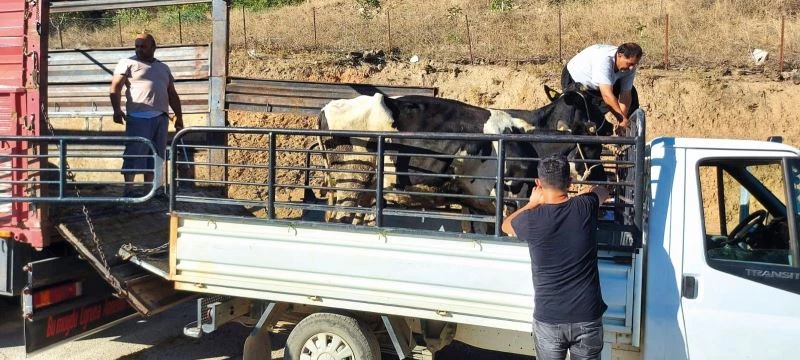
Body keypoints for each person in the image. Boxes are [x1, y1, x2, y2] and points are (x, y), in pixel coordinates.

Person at [501, 155, 610, 360]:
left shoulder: (531, 219)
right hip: (587, 317)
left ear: (538, 184)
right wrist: (588, 192)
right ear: (569, 183)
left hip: (549, 319)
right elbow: (603, 191)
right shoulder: (585, 207)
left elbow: (506, 226)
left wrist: (532, 203)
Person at [110, 33, 184, 197]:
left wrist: (179, 116)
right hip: (138, 116)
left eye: (143, 46)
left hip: (161, 117)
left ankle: (150, 189)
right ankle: (129, 189)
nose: (139, 49)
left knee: (156, 154)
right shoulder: (128, 63)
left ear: (153, 47)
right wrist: (116, 109)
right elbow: (115, 87)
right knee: (134, 152)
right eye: (137, 46)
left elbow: (172, 93)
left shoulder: (163, 67)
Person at [562, 43, 643, 134]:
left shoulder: (630, 67)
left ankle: (627, 137)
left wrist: (622, 121)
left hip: (600, 85)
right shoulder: (604, 61)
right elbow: (607, 95)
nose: (631, 67)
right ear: (619, 55)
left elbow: (626, 95)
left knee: (632, 94)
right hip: (575, 80)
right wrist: (622, 118)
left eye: (634, 64)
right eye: (630, 64)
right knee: (583, 118)